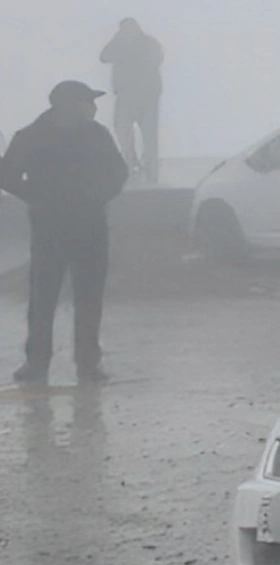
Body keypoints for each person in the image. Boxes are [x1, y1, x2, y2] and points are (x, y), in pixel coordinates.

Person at [0, 81, 129, 385]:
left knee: (84, 298)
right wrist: (39, 196)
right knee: (45, 298)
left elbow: (118, 173)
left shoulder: (94, 134)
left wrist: (96, 196)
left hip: (86, 226)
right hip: (54, 228)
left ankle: (84, 363)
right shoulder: (32, 137)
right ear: (70, 104)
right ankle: (39, 363)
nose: (94, 107)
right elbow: (6, 175)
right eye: (89, 101)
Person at [100, 18, 164, 184]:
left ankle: (150, 169)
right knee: (123, 131)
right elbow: (103, 56)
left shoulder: (148, 43)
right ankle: (131, 163)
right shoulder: (120, 43)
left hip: (146, 96)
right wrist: (117, 40)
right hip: (127, 95)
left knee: (149, 135)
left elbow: (157, 59)